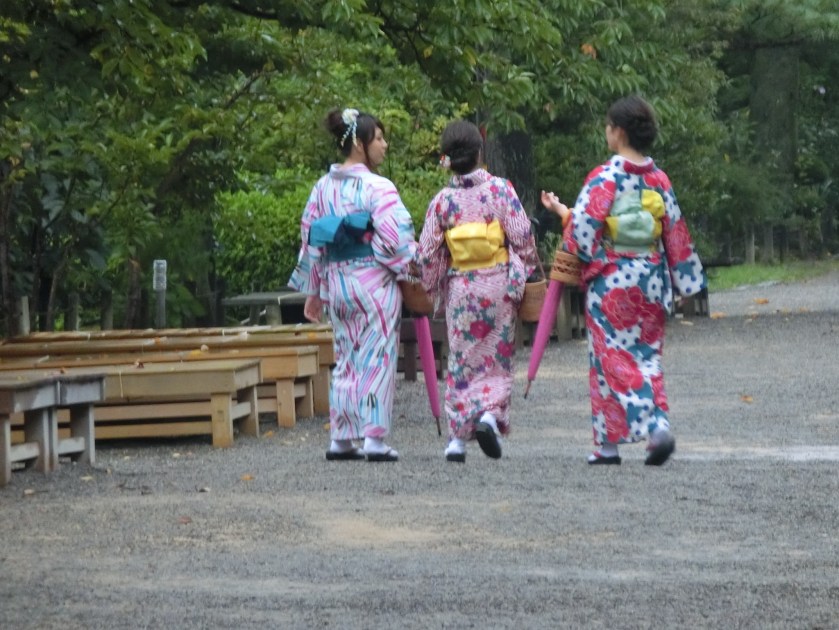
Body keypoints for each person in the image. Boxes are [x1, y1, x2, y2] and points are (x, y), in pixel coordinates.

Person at [541, 94, 706, 466]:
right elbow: (675, 233)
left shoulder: (606, 177)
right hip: (652, 278)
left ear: (618, 132)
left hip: (613, 280)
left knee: (611, 357)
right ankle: (615, 442)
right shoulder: (659, 179)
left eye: (608, 126)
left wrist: (587, 258)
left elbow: (582, 233)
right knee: (646, 357)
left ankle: (648, 428)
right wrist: (685, 284)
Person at [289, 108, 417, 462]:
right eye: (379, 138)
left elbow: (311, 239)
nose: (384, 145)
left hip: (338, 283)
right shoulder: (379, 187)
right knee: (377, 356)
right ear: (359, 144)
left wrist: (315, 290)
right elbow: (395, 242)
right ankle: (374, 438)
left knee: (346, 358)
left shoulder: (322, 188)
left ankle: (342, 438)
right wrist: (414, 271)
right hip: (373, 284)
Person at [416, 120, 538, 463]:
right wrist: (523, 265)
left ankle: (456, 440)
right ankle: (489, 417)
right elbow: (522, 236)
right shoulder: (500, 190)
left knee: (461, 362)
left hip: (462, 290)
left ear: (447, 158)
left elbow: (426, 253)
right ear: (480, 151)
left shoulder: (442, 201)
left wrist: (432, 282)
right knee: (496, 358)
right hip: (497, 285)